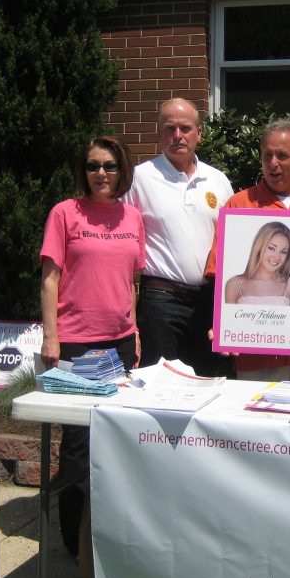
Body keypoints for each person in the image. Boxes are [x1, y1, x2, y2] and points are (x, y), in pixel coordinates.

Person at [39, 134, 144, 578]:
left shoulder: (132, 217)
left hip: (120, 346)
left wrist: (135, 330)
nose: (100, 174)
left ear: (123, 171)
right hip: (78, 347)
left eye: (109, 166)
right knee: (79, 448)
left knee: (113, 443)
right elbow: (50, 277)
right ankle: (72, 544)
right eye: (92, 166)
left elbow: (132, 281)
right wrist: (51, 336)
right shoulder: (65, 213)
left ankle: (100, 544)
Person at [206, 120, 290, 382]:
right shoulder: (239, 205)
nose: (273, 163)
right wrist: (223, 325)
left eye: (282, 155)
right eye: (267, 155)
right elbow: (218, 276)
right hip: (256, 358)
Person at [122, 98, 234, 374]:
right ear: (159, 132)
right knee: (159, 383)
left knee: (210, 380)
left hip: (207, 302)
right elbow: (123, 243)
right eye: (170, 128)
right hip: (161, 300)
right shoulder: (139, 179)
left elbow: (234, 242)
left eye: (185, 128)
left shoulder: (218, 180)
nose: (177, 136)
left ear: (199, 133)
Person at [224, 222, 290, 307]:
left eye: (283, 252)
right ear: (259, 247)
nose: (277, 257)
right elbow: (228, 320)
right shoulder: (234, 284)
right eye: (271, 248)